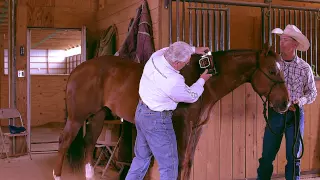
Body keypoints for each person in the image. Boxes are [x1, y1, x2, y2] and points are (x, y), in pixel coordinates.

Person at [125, 41, 212, 180]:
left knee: (140, 159)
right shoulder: (173, 80)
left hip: (141, 112)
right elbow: (191, 96)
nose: (187, 64)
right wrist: (202, 79)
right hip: (157, 121)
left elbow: (170, 48)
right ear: (177, 63)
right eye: (186, 62)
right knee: (169, 166)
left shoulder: (156, 57)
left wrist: (194, 50)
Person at [257, 24, 317, 180]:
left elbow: (312, 92)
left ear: (295, 44)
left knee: (294, 156)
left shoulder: (305, 68)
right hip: (275, 114)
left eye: (285, 40)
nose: (281, 43)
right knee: (267, 156)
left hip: (295, 115)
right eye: (281, 39)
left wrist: (301, 100)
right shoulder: (273, 64)